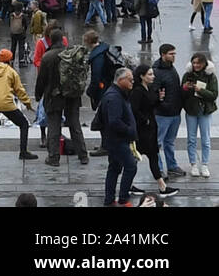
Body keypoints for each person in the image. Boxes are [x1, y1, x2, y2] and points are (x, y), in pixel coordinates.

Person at [35, 29, 90, 168]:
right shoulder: (71, 54)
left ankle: (53, 157)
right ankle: (83, 155)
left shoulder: (48, 56)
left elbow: (41, 79)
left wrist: (38, 95)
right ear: (63, 39)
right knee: (74, 124)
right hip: (72, 95)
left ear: (51, 40)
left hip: (54, 96)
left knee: (54, 126)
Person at [129, 65, 179, 198]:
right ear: (142, 76)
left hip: (151, 128)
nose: (153, 76)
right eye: (150, 74)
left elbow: (152, 105)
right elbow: (134, 109)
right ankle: (130, 184)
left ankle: (161, 186)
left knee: (151, 156)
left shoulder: (149, 88)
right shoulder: (137, 91)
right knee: (137, 157)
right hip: (142, 130)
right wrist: (145, 120)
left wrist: (160, 98)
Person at [98, 66, 138, 208]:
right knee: (131, 167)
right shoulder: (114, 96)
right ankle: (123, 198)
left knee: (114, 168)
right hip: (117, 140)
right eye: (130, 79)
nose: (132, 81)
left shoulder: (118, 93)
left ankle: (109, 200)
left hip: (116, 139)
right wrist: (129, 130)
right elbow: (114, 121)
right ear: (120, 80)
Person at [181, 51, 218, 178]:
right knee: (191, 139)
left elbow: (213, 95)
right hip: (191, 110)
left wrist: (200, 90)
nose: (196, 65)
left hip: (205, 111)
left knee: (206, 140)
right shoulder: (187, 75)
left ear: (204, 64)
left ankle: (205, 164)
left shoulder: (211, 76)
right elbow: (182, 95)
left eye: (199, 63)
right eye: (194, 62)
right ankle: (193, 165)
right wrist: (185, 88)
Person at [152, 44, 186, 181]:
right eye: (171, 54)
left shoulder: (171, 68)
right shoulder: (156, 71)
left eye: (174, 54)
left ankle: (172, 166)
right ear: (163, 54)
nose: (174, 56)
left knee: (170, 142)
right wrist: (162, 104)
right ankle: (158, 169)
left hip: (175, 113)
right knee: (157, 143)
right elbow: (154, 93)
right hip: (162, 114)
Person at [9, 2, 29, 66]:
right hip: (21, 33)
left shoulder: (11, 15)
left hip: (13, 33)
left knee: (13, 47)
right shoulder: (23, 16)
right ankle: (21, 61)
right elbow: (26, 25)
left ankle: (11, 60)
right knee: (21, 47)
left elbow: (9, 24)